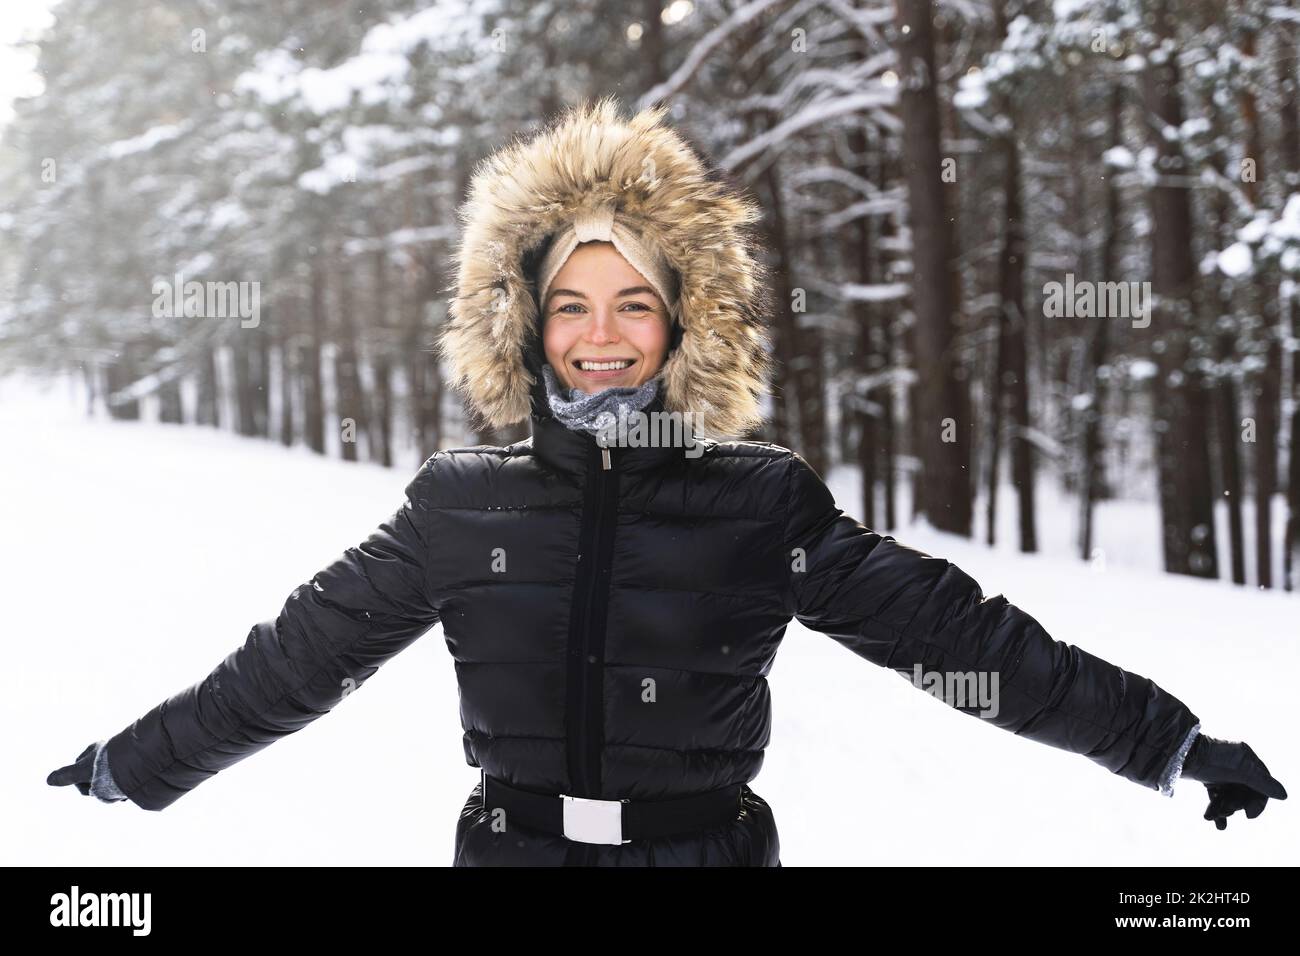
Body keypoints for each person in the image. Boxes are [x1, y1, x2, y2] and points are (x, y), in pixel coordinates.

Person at [49, 96, 1285, 866]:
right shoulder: (458, 503)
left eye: (634, 303)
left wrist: (1171, 743)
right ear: (523, 323)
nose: (601, 334)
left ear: (683, 321)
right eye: (571, 304)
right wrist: (134, 762)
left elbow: (968, 641)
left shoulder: (760, 501)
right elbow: (292, 660)